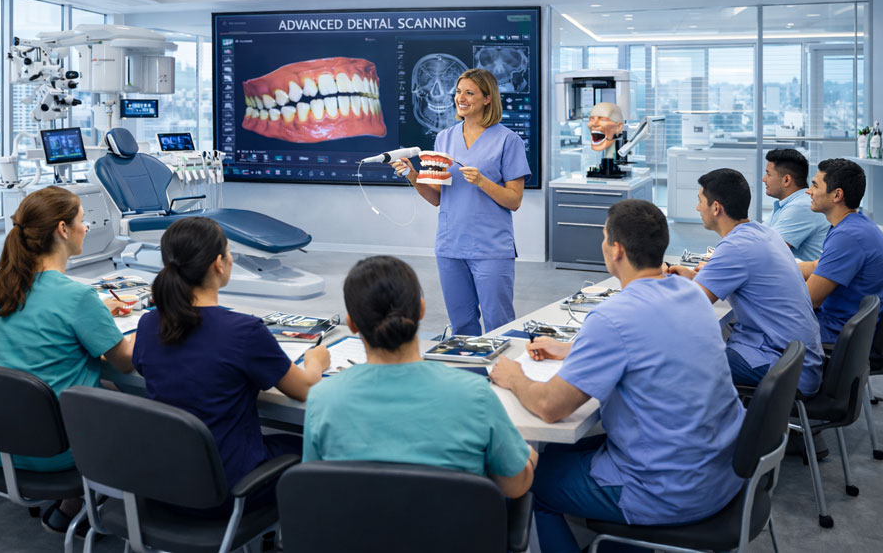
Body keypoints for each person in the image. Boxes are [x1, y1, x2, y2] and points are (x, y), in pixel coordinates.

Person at [490, 200, 744, 553]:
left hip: (668, 490)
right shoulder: (691, 294)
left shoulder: (613, 317)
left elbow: (550, 407)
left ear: (617, 250)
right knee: (562, 454)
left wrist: (514, 376)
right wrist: (576, 350)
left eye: (604, 237)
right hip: (720, 471)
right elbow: (651, 343)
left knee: (523, 477)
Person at [133, 216, 330, 516]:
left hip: (164, 483)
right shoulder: (244, 332)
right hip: (228, 491)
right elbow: (303, 390)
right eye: (228, 251)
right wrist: (316, 362)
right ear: (219, 264)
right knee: (314, 449)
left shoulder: (149, 324)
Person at [0, 186, 135, 534]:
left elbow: (46, 320)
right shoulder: (77, 296)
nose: (86, 227)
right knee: (144, 413)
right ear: (62, 229)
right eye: (82, 220)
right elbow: (124, 362)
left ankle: (70, 509)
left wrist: (97, 314)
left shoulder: (2, 286)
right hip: (57, 451)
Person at [303, 255, 536, 499]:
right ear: (421, 309)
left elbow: (315, 490)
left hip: (354, 536)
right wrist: (527, 455)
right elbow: (515, 486)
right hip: (451, 536)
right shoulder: (474, 394)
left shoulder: (323, 399)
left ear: (351, 324)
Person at [392, 68, 530, 336]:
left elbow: (514, 200)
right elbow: (435, 197)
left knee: (499, 324)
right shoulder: (444, 138)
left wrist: (482, 182)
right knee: (462, 325)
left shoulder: (508, 140)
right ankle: (470, 375)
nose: (460, 98)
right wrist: (412, 174)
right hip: (450, 246)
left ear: (488, 98)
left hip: (491, 248)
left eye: (470, 93)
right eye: (458, 92)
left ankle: (503, 377)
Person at [666, 169, 823, 395]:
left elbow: (691, 306)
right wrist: (693, 278)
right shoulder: (762, 233)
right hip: (796, 359)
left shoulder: (735, 247)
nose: (697, 208)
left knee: (675, 362)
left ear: (716, 207)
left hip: (782, 367)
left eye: (700, 201)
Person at [799, 158, 883, 344]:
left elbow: (809, 300)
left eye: (815, 186)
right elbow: (817, 266)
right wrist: (776, 271)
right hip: (839, 325)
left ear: (837, 195)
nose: (808, 191)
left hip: (833, 331)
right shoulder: (855, 224)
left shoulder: (848, 237)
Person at [762, 148, 828, 261]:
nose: (764, 179)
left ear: (786, 180)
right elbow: (759, 236)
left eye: (768, 174)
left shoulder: (801, 206)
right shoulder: (787, 203)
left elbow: (767, 250)